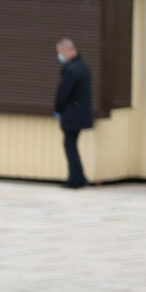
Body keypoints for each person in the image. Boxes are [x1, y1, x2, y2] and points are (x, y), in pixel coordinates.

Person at [51, 38, 93, 189]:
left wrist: (58, 109)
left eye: (59, 52)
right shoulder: (83, 67)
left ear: (65, 50)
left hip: (72, 114)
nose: (59, 55)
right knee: (72, 144)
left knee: (69, 145)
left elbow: (64, 94)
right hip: (81, 114)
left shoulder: (71, 70)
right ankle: (79, 176)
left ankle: (75, 180)